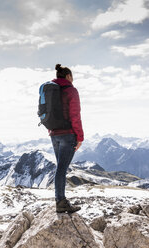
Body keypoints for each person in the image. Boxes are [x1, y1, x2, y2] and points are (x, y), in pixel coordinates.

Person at [50, 64, 84, 213]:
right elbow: (75, 115)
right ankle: (61, 202)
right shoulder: (71, 90)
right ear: (68, 76)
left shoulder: (51, 90)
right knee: (61, 169)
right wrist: (80, 137)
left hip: (54, 133)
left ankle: (60, 200)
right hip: (67, 134)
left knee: (60, 168)